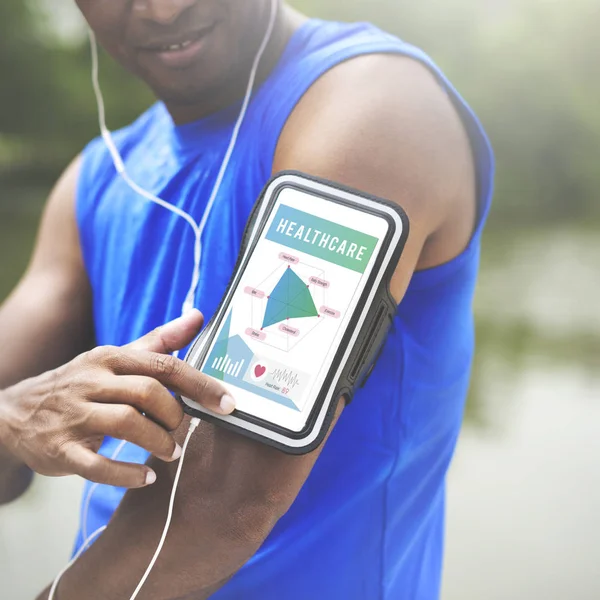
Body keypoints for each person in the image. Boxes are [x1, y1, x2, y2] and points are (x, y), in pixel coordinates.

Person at [0, 1, 493, 598]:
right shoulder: (97, 177)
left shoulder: (377, 109)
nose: (163, 9)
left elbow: (217, 507)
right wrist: (12, 421)